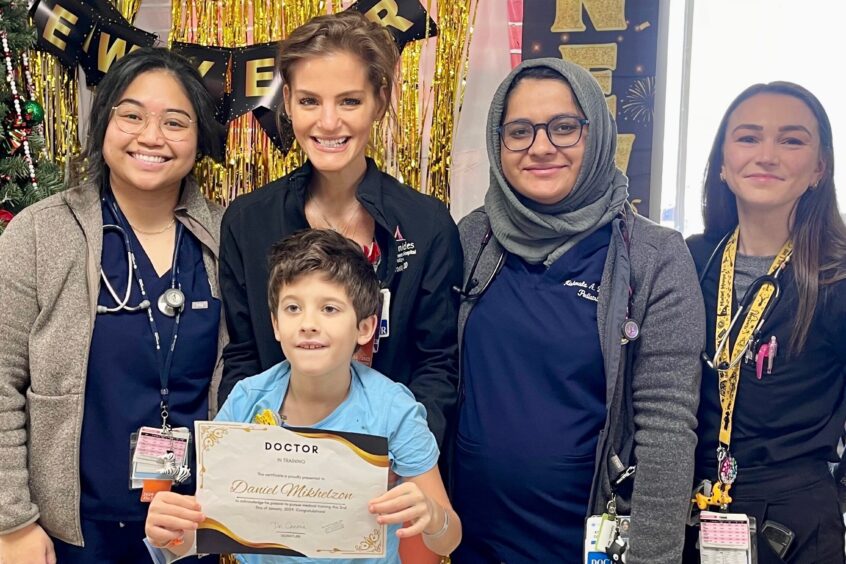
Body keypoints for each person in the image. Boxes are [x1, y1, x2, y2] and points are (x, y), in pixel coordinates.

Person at [451, 57, 704, 563]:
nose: (541, 146)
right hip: (467, 542)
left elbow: (667, 425)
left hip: (585, 544)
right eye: (519, 130)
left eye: (564, 127)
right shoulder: (470, 238)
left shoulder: (653, 257)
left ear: (598, 133)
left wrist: (651, 556)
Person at [0, 48, 226, 563]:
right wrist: (12, 521)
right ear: (104, 123)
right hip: (70, 533)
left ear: (199, 139)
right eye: (131, 115)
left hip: (189, 526)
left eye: (175, 121)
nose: (151, 136)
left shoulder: (224, 236)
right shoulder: (40, 233)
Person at [218, 11, 462, 448]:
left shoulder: (427, 225)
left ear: (380, 102)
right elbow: (244, 357)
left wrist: (399, 462)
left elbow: (436, 366)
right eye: (310, 101)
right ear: (287, 102)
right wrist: (242, 456)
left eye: (349, 101)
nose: (328, 123)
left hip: (387, 474)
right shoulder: (247, 221)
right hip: (274, 472)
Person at [144, 228, 462, 563]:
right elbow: (199, 536)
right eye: (293, 308)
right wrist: (168, 532)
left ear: (365, 327)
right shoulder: (246, 401)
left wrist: (433, 516)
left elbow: (448, 542)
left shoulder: (393, 410)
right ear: (276, 324)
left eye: (329, 309)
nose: (308, 323)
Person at [685, 82, 846, 563]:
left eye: (792, 140)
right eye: (749, 138)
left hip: (797, 524)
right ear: (721, 162)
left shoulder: (836, 275)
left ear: (819, 167)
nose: (767, 155)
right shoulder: (689, 261)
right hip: (692, 509)